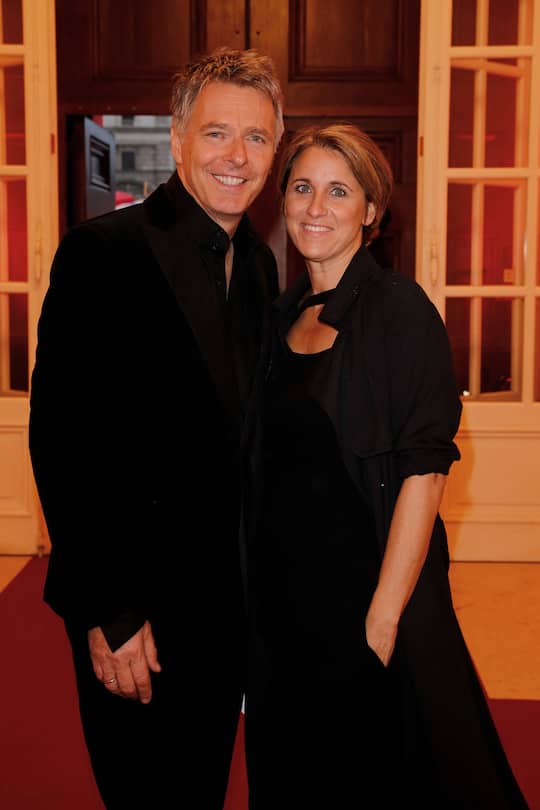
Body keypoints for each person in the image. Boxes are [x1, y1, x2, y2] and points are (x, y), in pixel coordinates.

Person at [244, 124, 529, 809]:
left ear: (371, 211)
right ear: (281, 201)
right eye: (303, 187)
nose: (317, 207)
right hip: (287, 610)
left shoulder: (401, 313)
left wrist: (381, 621)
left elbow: (423, 473)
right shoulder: (280, 318)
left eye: (339, 191)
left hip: (369, 600)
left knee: (380, 778)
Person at [29, 47, 283, 809]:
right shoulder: (103, 253)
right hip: (136, 615)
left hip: (223, 615)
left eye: (258, 138)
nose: (236, 157)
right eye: (216, 134)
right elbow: (64, 442)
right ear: (176, 139)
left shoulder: (263, 270)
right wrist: (111, 610)